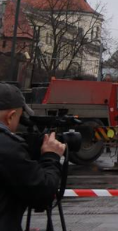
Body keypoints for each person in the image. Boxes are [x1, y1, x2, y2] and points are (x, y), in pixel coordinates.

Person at [0, 83, 65, 231]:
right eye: (19, 118)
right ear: (10, 117)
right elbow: (42, 194)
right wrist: (51, 157)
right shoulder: (7, 148)